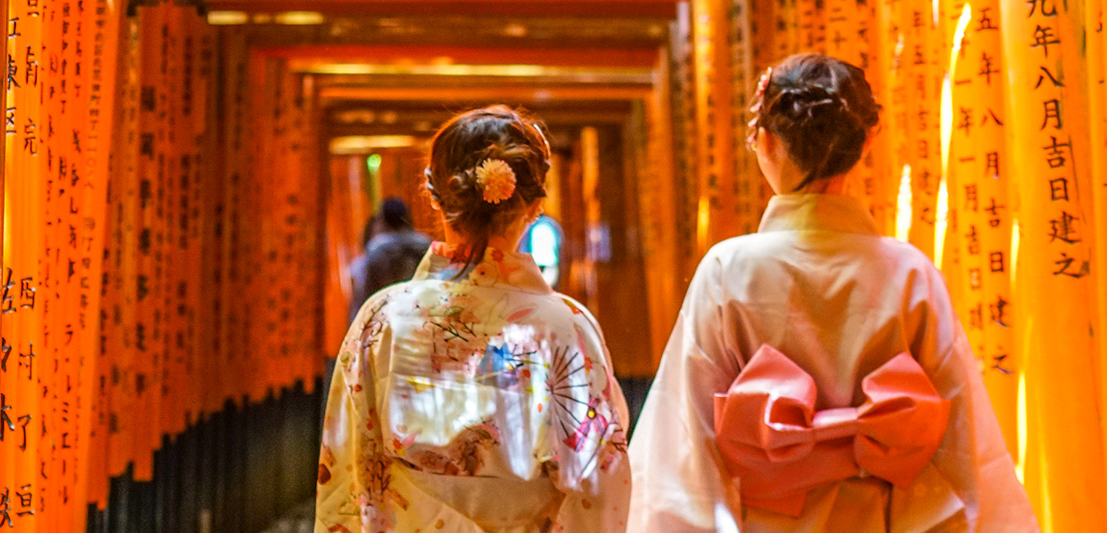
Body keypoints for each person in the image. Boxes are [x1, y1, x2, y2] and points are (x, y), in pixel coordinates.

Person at [628, 53, 1035, 532]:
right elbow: (964, 442)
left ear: (766, 142)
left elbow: (686, 438)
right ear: (863, 143)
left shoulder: (728, 269)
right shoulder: (909, 272)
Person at [316, 106, 630, 532]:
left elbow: (350, 468)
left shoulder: (383, 319)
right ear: (535, 205)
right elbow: (598, 482)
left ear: (433, 195)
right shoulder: (567, 328)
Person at [348, 197, 435, 320]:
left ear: (383, 220)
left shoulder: (377, 250)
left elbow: (364, 297)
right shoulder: (427, 245)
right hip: (424, 318)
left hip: (388, 321)